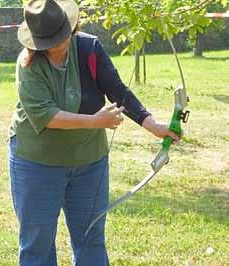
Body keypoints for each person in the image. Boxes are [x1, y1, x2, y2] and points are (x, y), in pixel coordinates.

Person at [9, 0, 180, 265]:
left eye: (61, 36)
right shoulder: (27, 64)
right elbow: (46, 115)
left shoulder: (89, 48)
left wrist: (152, 124)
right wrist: (95, 121)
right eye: (49, 40)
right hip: (37, 164)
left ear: (72, 26)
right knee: (37, 245)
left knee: (91, 240)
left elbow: (117, 89)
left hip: (89, 163)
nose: (57, 44)